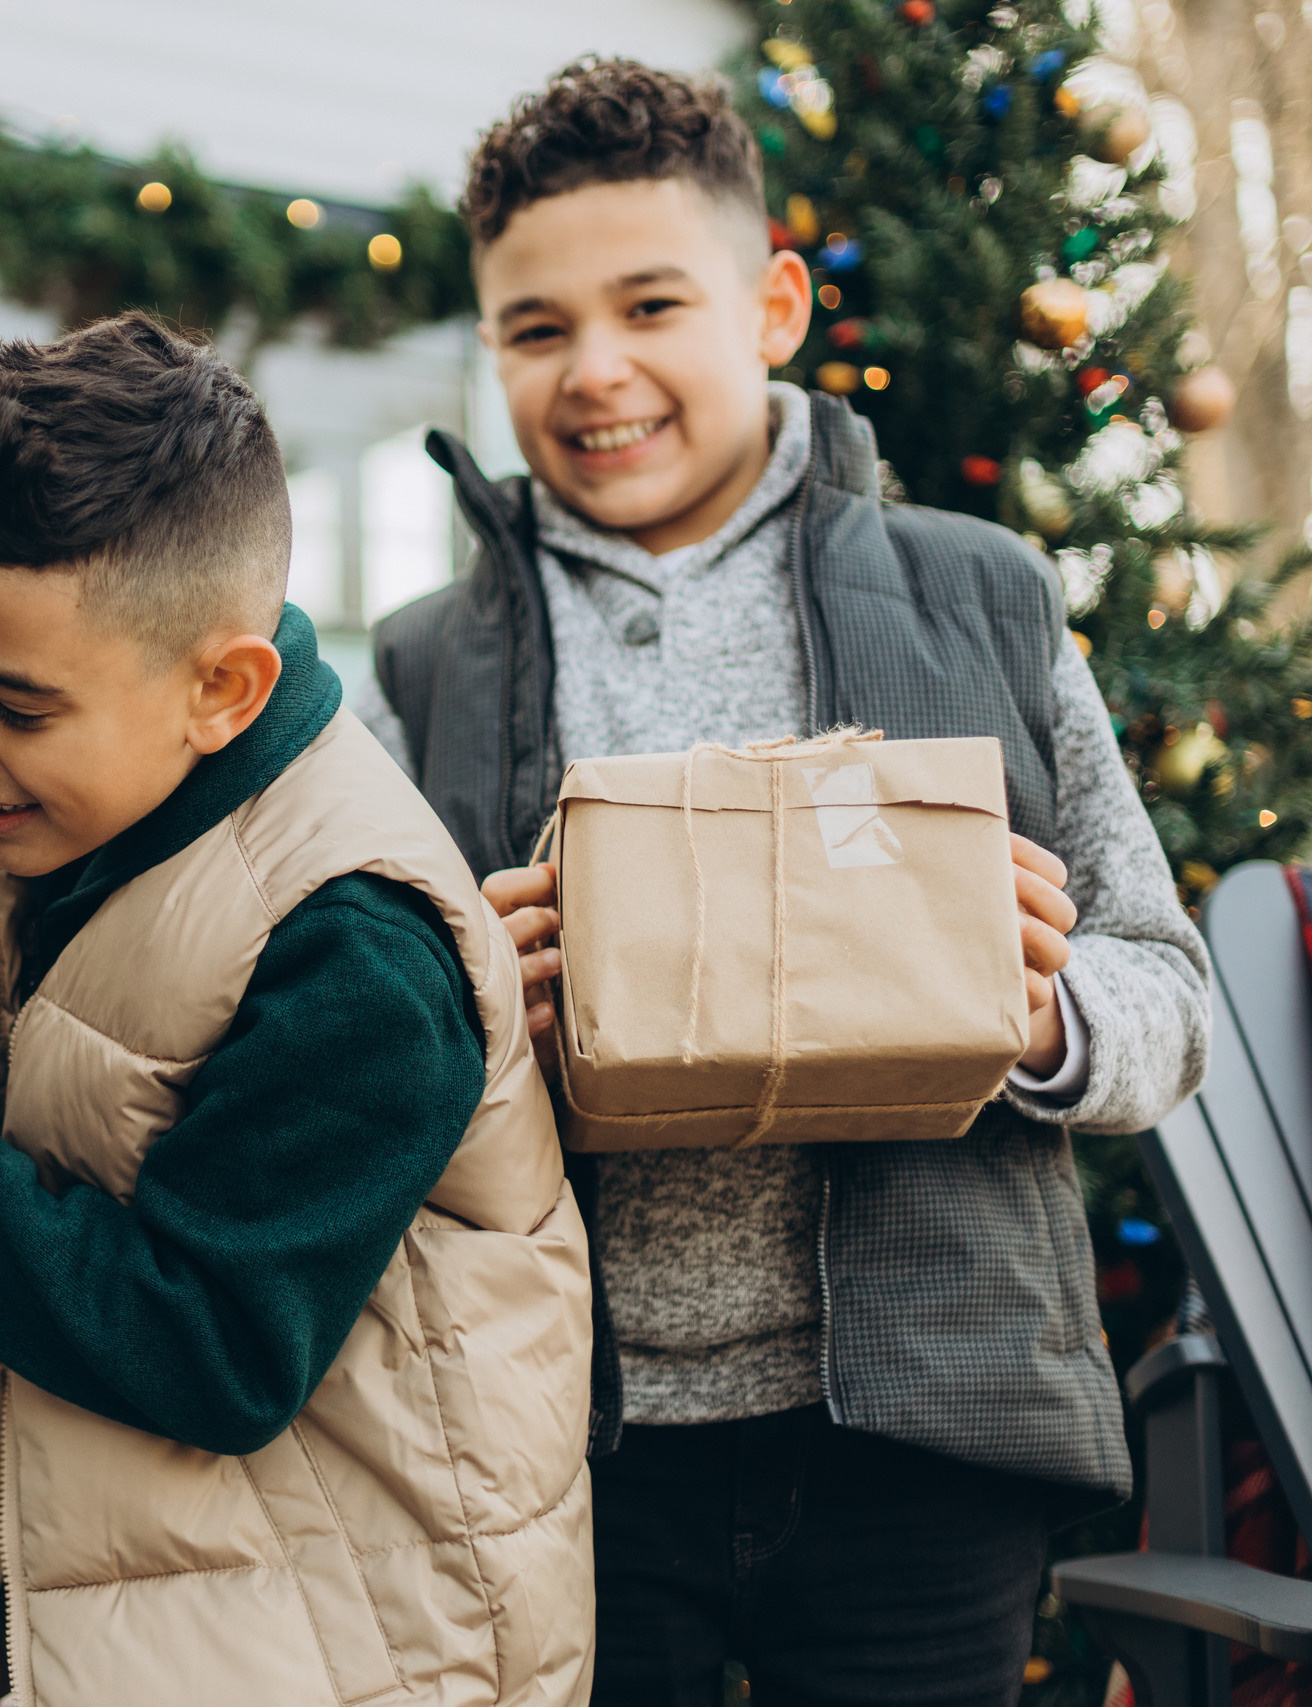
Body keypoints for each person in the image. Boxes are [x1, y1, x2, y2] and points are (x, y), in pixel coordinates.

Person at [357, 59, 1210, 1707]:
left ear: (773, 307)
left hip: (922, 1446)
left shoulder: (982, 599)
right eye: (536, 330)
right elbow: (352, 1045)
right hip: (564, 1456)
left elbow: (1164, 984)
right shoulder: (420, 669)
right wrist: (468, 1009)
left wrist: (1040, 1012)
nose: (594, 372)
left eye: (650, 306)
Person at [0, 312, 594, 1707]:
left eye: (18, 706)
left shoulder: (356, 944)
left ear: (223, 687)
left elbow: (211, 1344)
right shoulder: (117, 835)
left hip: (356, 1660)